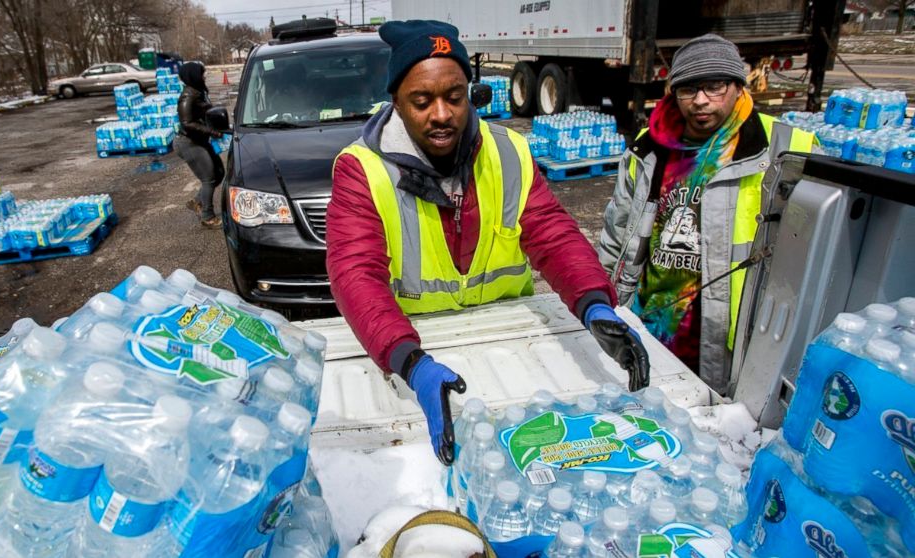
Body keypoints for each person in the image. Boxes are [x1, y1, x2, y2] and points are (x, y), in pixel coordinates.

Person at [326, 20, 650, 466]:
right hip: (417, 355)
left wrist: (593, 305)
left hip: (512, 344)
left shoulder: (509, 151)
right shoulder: (361, 169)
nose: (442, 114)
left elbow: (552, 234)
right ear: (397, 103)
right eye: (421, 101)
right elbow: (354, 273)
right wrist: (409, 361)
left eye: (454, 97)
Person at [597, 34, 815, 393]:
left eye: (714, 86)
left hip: (731, 337)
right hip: (651, 324)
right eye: (687, 89)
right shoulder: (647, 148)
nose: (700, 101)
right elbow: (616, 234)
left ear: (737, 85)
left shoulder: (785, 150)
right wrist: (603, 305)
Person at [175, 61, 225, 228]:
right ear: (193, 75)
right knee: (209, 178)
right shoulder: (188, 96)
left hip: (200, 140)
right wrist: (212, 132)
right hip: (189, 143)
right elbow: (187, 123)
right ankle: (207, 216)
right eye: (202, 73)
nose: (204, 76)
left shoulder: (198, 92)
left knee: (219, 173)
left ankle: (197, 201)